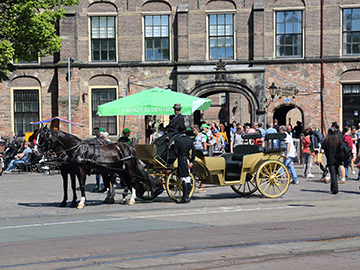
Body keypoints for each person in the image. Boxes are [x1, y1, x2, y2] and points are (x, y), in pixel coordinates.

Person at [173, 127, 196, 203]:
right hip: (187, 159)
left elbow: (176, 152)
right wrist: (192, 161)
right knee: (188, 178)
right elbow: (194, 151)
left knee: (184, 178)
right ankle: (187, 196)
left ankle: (185, 198)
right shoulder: (190, 140)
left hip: (181, 159)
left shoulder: (178, 140)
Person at [322, 128, 340, 194]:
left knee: (333, 174)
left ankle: (334, 189)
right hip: (337, 159)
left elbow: (323, 149)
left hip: (330, 159)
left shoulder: (326, 141)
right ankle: (334, 188)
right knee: (335, 173)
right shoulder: (337, 140)